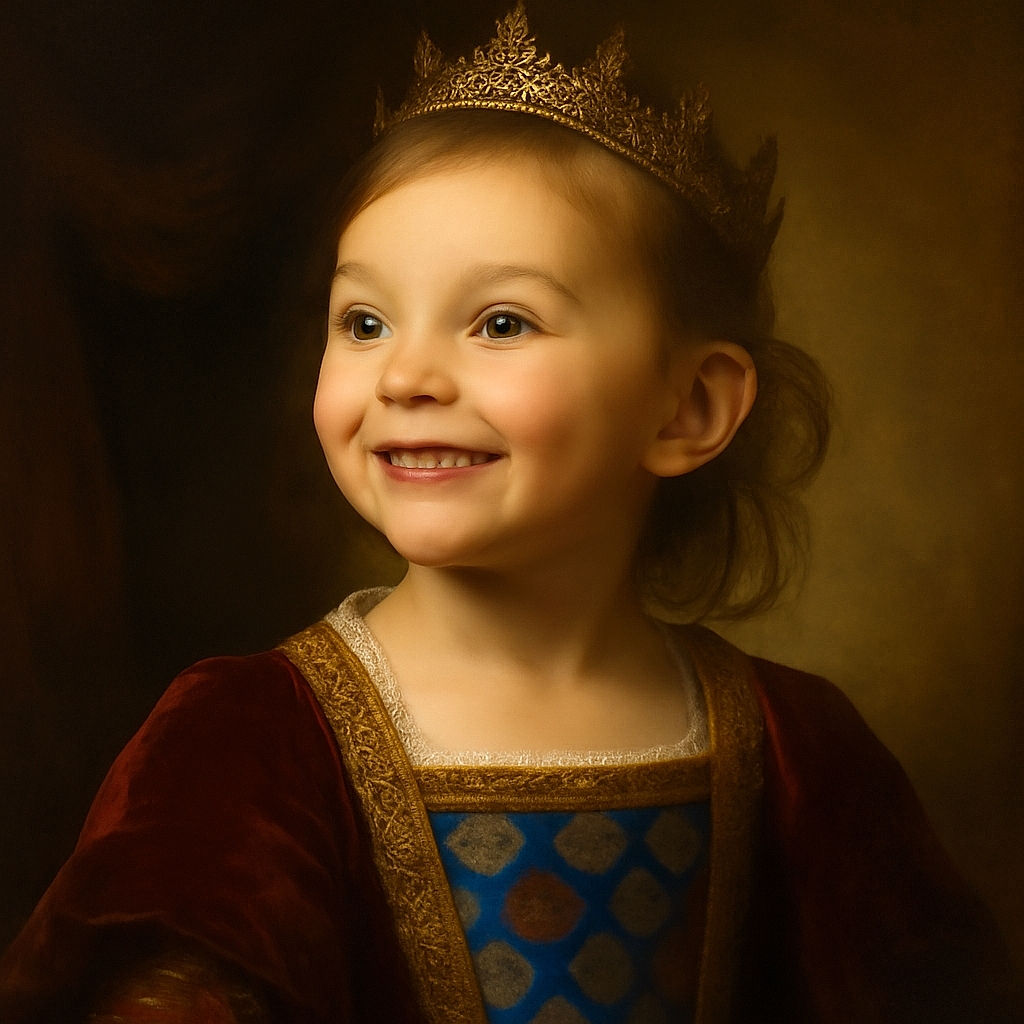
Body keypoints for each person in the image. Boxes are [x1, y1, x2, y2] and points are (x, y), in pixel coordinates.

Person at [0, 5, 1013, 1022]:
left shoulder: (798, 751)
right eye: (364, 321)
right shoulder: (244, 740)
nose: (405, 373)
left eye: (499, 321)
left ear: (689, 407)